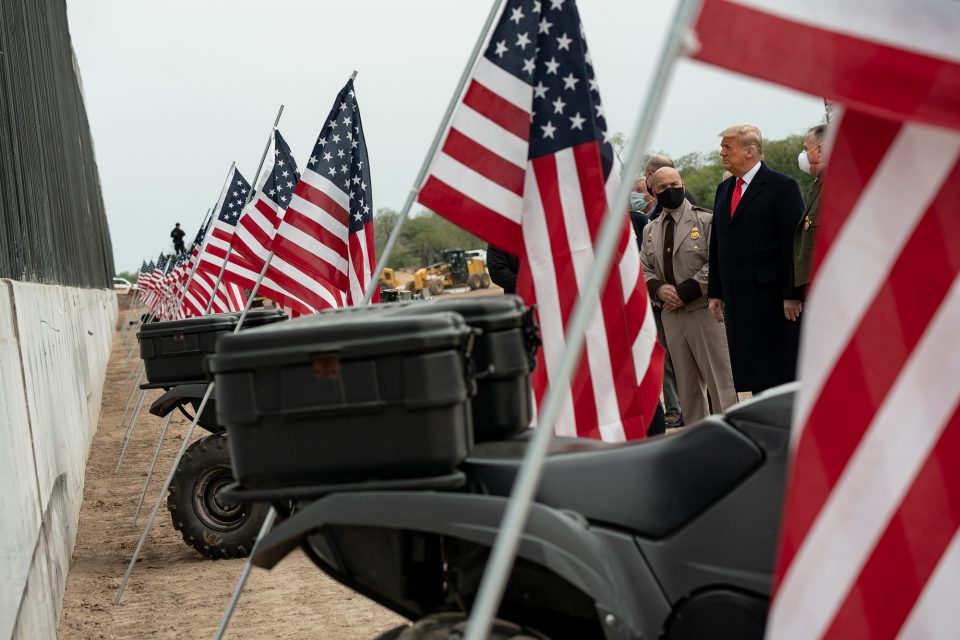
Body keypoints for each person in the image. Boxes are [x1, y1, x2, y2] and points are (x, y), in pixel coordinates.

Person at [707, 125, 805, 394]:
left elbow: (793, 244)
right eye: (722, 147)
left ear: (751, 152)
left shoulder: (782, 187)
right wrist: (715, 291)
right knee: (754, 375)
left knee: (780, 372)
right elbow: (717, 243)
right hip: (739, 301)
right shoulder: (724, 189)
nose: (722, 153)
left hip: (773, 300)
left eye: (728, 147)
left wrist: (793, 293)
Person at [641, 168, 737, 425]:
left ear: (683, 184)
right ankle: (699, 440)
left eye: (675, 183)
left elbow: (717, 262)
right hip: (671, 315)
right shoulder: (651, 230)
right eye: (663, 187)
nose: (671, 189)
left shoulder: (705, 220)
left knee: (720, 381)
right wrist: (659, 289)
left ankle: (731, 436)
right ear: (654, 192)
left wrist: (685, 292)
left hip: (703, 310)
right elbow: (643, 267)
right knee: (687, 386)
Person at [629, 176, 683, 429]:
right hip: (638, 303)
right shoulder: (649, 225)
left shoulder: (639, 221)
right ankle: (671, 408)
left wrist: (666, 291)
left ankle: (682, 408)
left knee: (671, 357)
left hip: (658, 301)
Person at [793, 124, 828, 289]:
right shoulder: (820, 185)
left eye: (806, 149)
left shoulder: (833, 186)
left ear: (820, 150)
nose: (802, 156)